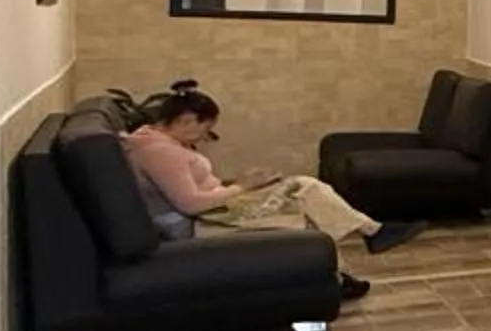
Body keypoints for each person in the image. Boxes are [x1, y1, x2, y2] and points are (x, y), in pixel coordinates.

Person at [122, 83, 421, 301]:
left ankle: (348, 267)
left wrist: (236, 185)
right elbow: (189, 203)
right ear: (187, 120)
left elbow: (193, 191)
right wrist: (242, 187)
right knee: (305, 193)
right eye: (205, 129)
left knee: (303, 190)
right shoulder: (159, 152)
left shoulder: (154, 142)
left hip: (215, 212)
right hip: (202, 225)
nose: (204, 136)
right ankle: (366, 240)